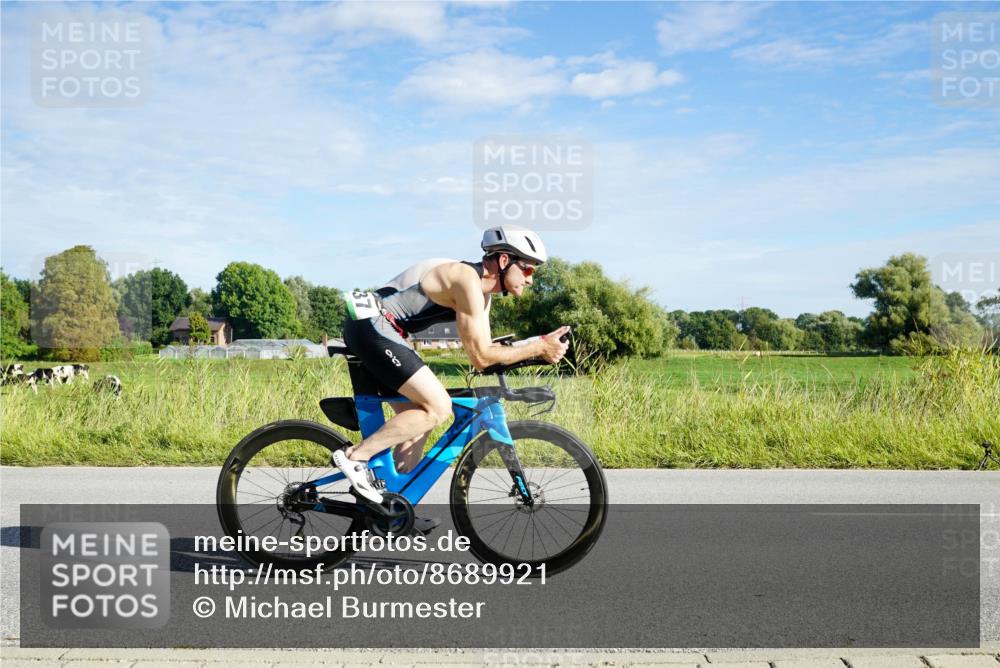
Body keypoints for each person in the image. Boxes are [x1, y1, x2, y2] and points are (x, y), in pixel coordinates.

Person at [333, 225, 570, 531]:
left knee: (419, 420)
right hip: (372, 326)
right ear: (503, 261)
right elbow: (481, 356)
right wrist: (538, 347)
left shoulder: (482, 296)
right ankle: (355, 458)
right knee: (438, 406)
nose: (530, 279)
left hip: (383, 330)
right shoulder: (466, 279)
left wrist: (535, 345)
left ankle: (392, 505)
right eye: (527, 269)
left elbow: (487, 353)